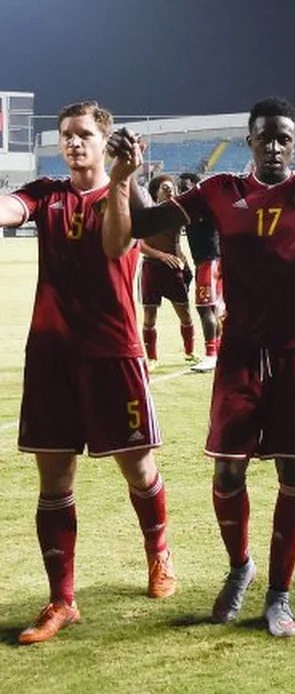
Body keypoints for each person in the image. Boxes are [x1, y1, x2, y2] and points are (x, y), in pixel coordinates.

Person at [104, 96, 295, 637]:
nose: (273, 146)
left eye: (283, 137)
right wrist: (123, 176)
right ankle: (241, 567)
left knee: (294, 472)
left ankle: (280, 595)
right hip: (240, 353)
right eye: (264, 136)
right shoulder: (220, 191)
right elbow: (142, 225)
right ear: (249, 140)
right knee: (227, 469)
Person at [0, 101, 176, 645]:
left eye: (84, 135)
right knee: (54, 482)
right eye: (67, 136)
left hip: (114, 353)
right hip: (52, 357)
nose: (74, 143)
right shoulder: (46, 193)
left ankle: (159, 556)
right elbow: (9, 208)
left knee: (139, 469)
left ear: (105, 142)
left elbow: (131, 241)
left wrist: (128, 179)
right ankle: (62, 600)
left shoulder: (123, 192)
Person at [139, 174, 197, 368]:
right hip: (151, 268)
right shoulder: (147, 213)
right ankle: (152, 358)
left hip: (173, 270)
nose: (170, 189)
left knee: (185, 314)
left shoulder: (178, 214)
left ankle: (190, 353)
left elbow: (176, 244)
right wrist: (160, 255)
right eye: (165, 187)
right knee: (149, 316)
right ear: (156, 192)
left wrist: (185, 262)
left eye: (172, 187)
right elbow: (138, 244)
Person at [178, 171, 223, 372]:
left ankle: (211, 355)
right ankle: (220, 351)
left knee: (205, 308)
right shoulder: (192, 208)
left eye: (185, 188)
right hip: (205, 262)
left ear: (196, 187)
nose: (182, 193)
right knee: (213, 309)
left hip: (210, 261)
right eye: (180, 189)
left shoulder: (206, 206)